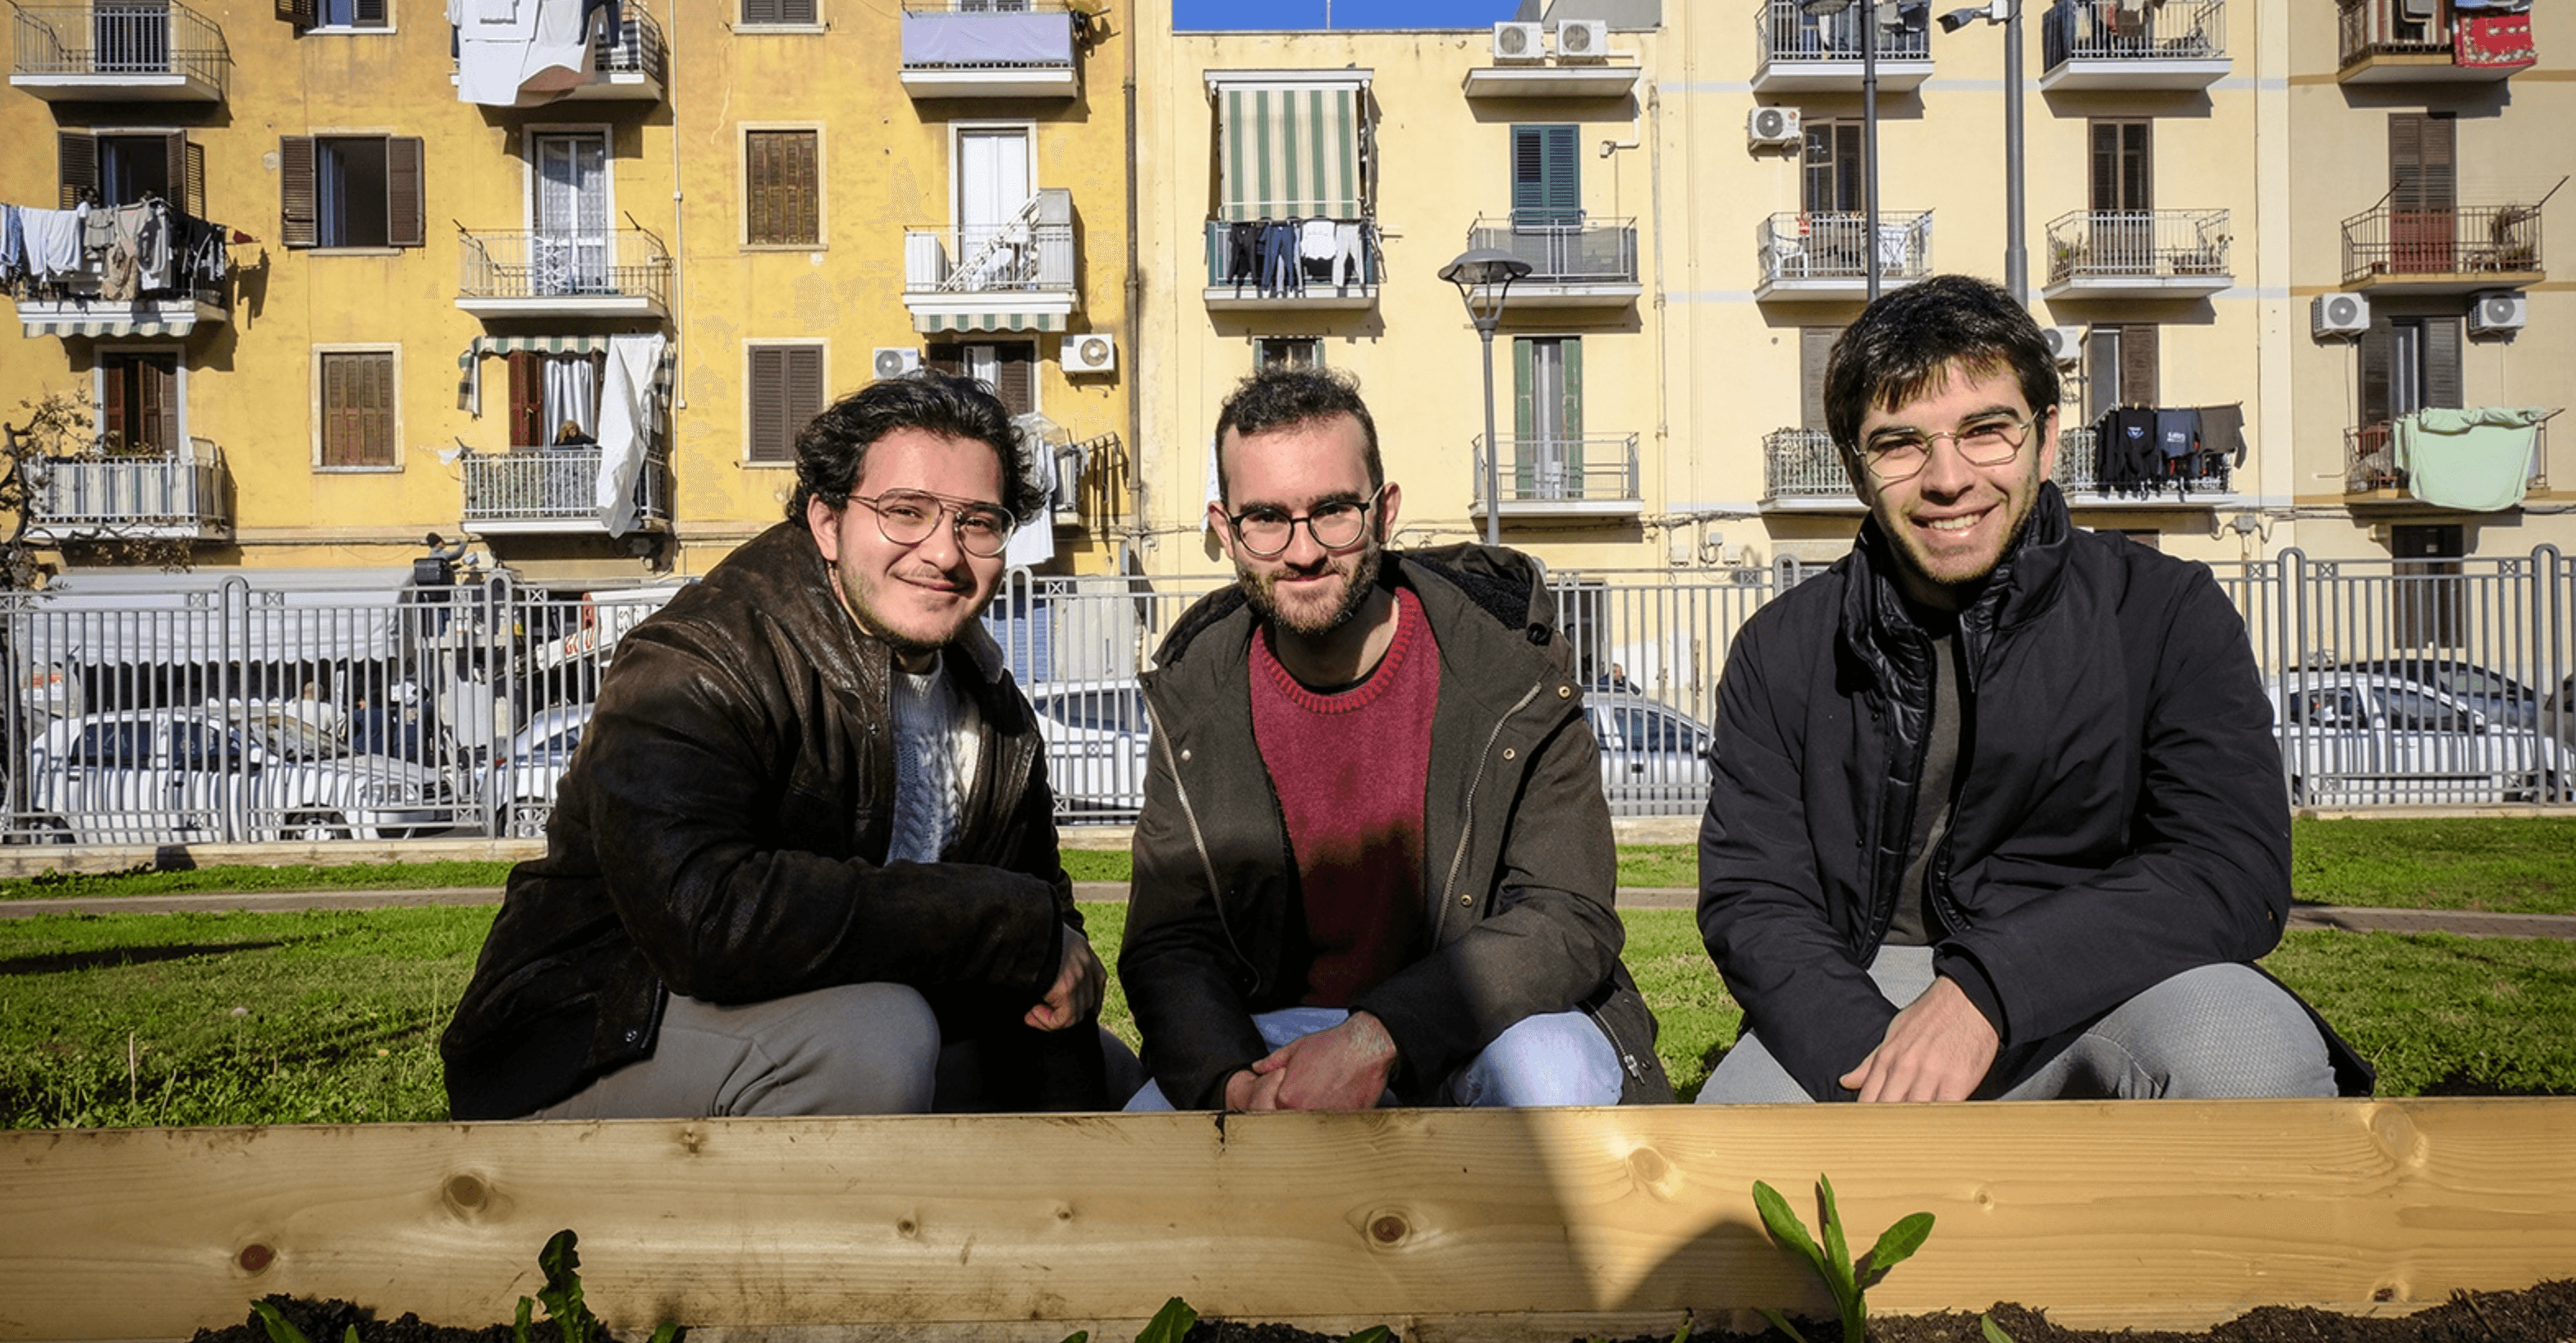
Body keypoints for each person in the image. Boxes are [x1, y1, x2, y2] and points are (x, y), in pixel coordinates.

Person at [1696, 275, 2370, 1105]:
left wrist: (1989, 989)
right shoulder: (1782, 649)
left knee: (2248, 1059)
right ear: (1855, 469)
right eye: (1900, 444)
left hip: (2113, 972)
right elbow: (1756, 899)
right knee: (1736, 1140)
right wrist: (1877, 1068)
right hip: (1863, 986)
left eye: (1987, 431)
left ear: (2046, 439)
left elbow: (2227, 867)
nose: (1948, 478)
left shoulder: (2164, 612)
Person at [442, 372, 1122, 1121]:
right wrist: (1000, 922)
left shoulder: (990, 700)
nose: (944, 553)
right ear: (828, 521)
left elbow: (1045, 933)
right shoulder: (699, 659)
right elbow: (703, 921)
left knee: (1111, 1079)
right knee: (873, 1043)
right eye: (905, 512)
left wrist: (1056, 1016)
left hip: (829, 1017)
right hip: (588, 1037)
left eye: (978, 523)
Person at [1119, 369, 1671, 1112]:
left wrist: (1381, 1035)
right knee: (1153, 1121)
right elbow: (1169, 944)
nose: (1303, 551)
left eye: (1333, 511)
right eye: (1267, 518)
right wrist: (1234, 1084)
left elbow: (1567, 916)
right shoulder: (1195, 694)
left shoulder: (1513, 667)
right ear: (1226, 531)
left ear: (1384, 511)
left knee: (1549, 1074)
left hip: (1479, 1023)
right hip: (1281, 1033)